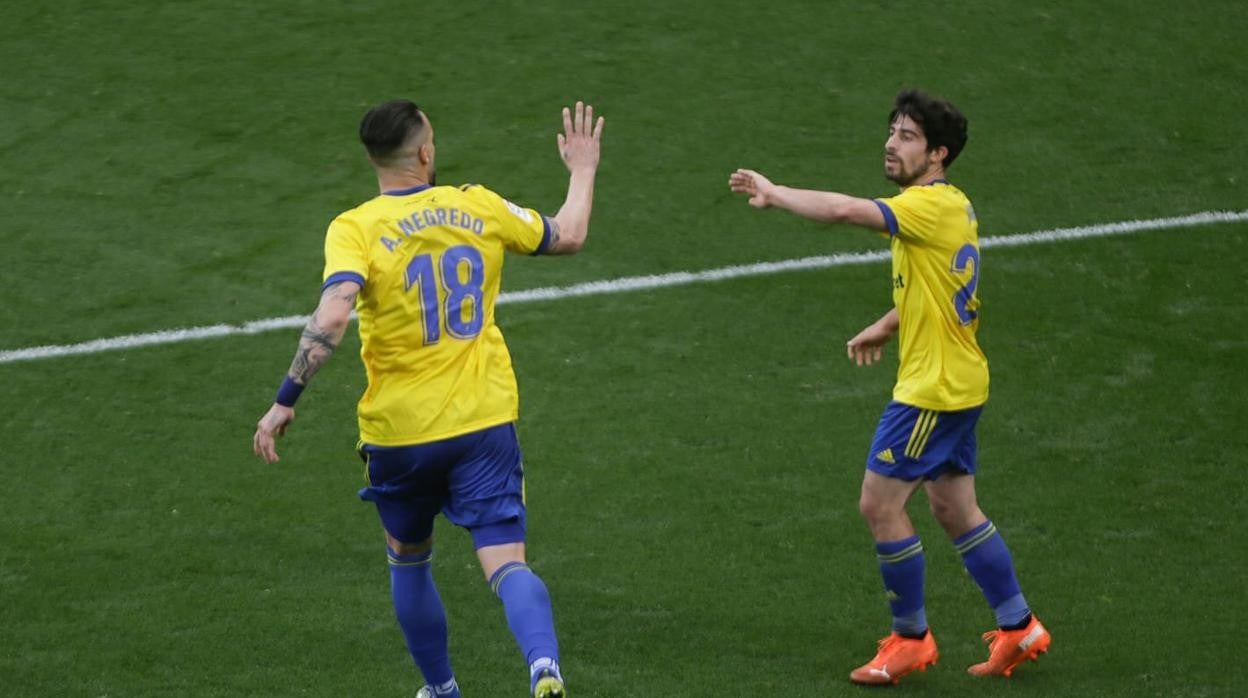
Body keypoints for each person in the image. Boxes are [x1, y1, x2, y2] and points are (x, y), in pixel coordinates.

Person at [253, 99, 605, 698]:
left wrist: (286, 398)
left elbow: (334, 316)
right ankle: (544, 668)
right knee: (506, 562)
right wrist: (582, 168)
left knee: (409, 558)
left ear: (371, 159)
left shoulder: (354, 227)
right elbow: (568, 235)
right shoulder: (478, 205)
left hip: (401, 434)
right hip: (483, 422)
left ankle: (442, 690)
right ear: (425, 152)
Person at [729, 89, 1050, 685]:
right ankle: (1019, 625)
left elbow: (849, 211)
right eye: (892, 131)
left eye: (907, 136)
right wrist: (885, 323)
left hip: (931, 391)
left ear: (938, 154)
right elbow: (935, 288)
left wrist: (777, 195)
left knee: (880, 505)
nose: (891, 143)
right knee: (954, 507)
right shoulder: (947, 207)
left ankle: (910, 639)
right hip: (960, 382)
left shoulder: (925, 207)